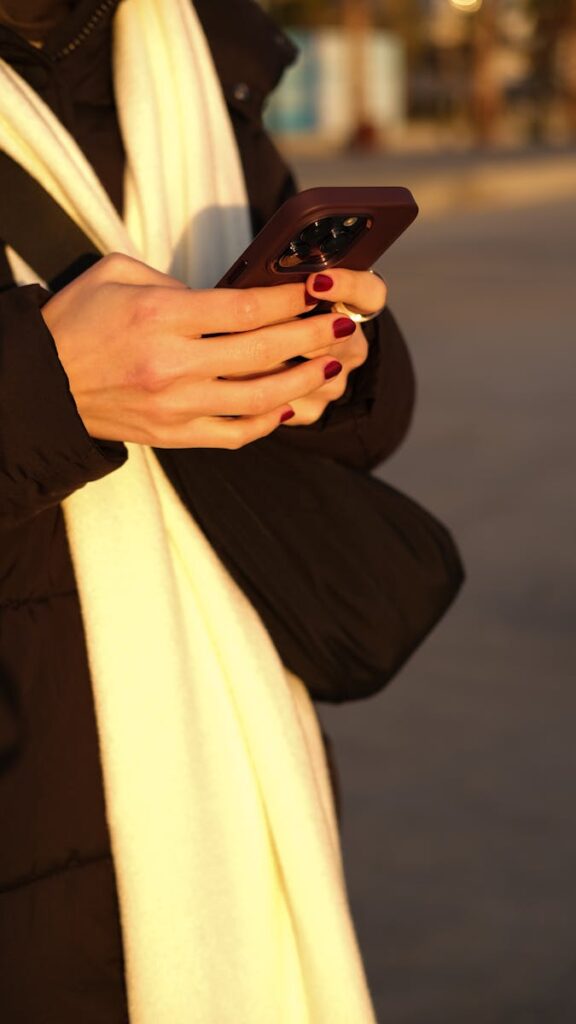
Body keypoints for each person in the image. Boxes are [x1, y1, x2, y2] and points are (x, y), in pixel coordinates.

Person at [0, 1, 417, 1021]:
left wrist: (322, 365)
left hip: (233, 781)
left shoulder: (195, 52)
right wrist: (45, 388)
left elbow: (369, 424)